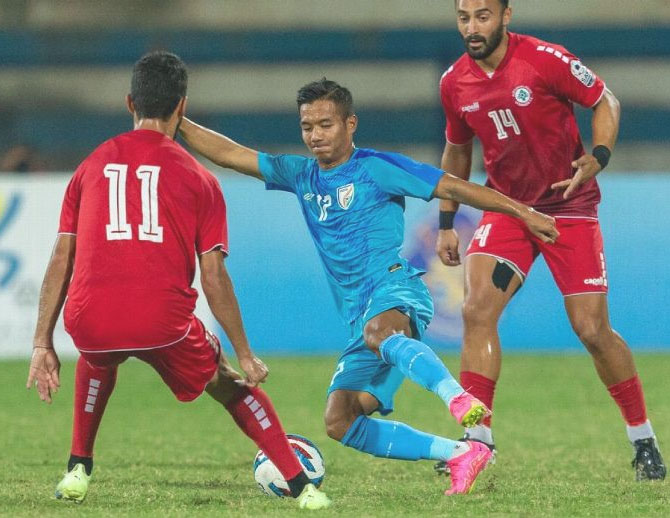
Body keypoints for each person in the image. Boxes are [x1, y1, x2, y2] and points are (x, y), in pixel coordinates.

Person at [178, 78, 559, 495]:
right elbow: (232, 155)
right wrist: (178, 119)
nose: (315, 135)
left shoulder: (377, 168)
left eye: (325, 125)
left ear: (350, 124)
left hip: (397, 290)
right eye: (307, 127)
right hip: (360, 316)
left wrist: (524, 213)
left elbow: (452, 185)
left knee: (379, 331)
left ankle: (457, 398)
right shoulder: (301, 174)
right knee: (341, 420)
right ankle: (461, 453)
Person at [25, 51, 331, 510]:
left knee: (98, 355)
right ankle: (302, 485)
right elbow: (214, 276)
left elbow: (61, 257)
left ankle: (77, 468)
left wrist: (41, 343)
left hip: (88, 321)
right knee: (228, 384)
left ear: (130, 102)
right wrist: (244, 353)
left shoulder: (90, 165)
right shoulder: (199, 178)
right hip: (163, 324)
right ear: (182, 107)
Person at [434, 0, 665, 481]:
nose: (472, 27)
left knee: (591, 330)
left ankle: (642, 437)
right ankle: (479, 440)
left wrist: (599, 155)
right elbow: (457, 150)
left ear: (506, 16)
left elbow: (606, 100)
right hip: (508, 209)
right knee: (476, 311)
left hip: (568, 207)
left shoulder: (544, 59)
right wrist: (446, 219)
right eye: (463, 17)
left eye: (482, 16)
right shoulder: (454, 82)